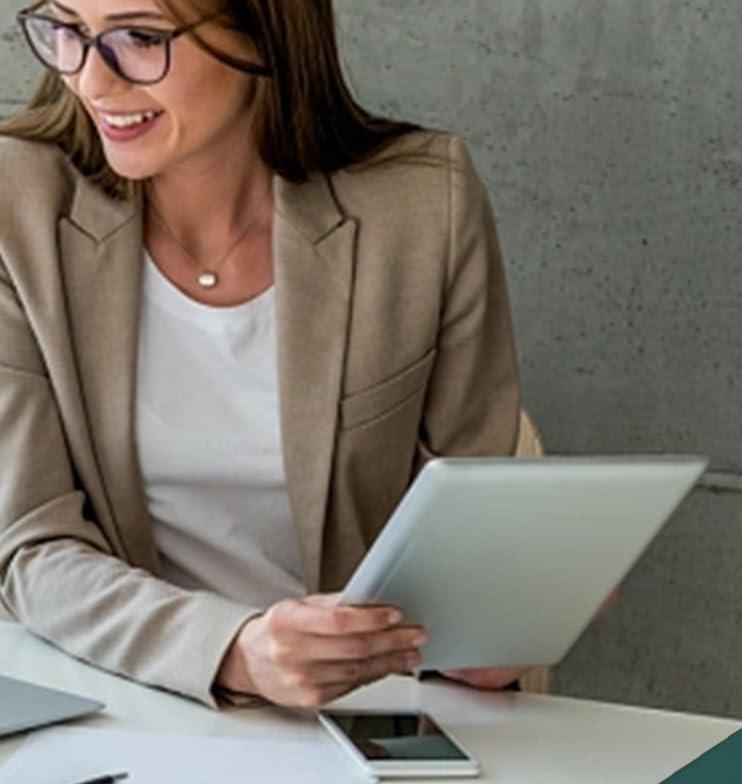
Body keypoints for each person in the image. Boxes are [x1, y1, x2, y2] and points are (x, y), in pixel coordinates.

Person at [0, 0, 545, 710]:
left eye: (139, 38)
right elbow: (28, 547)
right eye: (67, 31)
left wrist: (498, 618)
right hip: (129, 701)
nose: (94, 83)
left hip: (365, 716)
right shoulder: (19, 205)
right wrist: (234, 650)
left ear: (263, 33)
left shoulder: (422, 206)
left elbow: (473, 516)